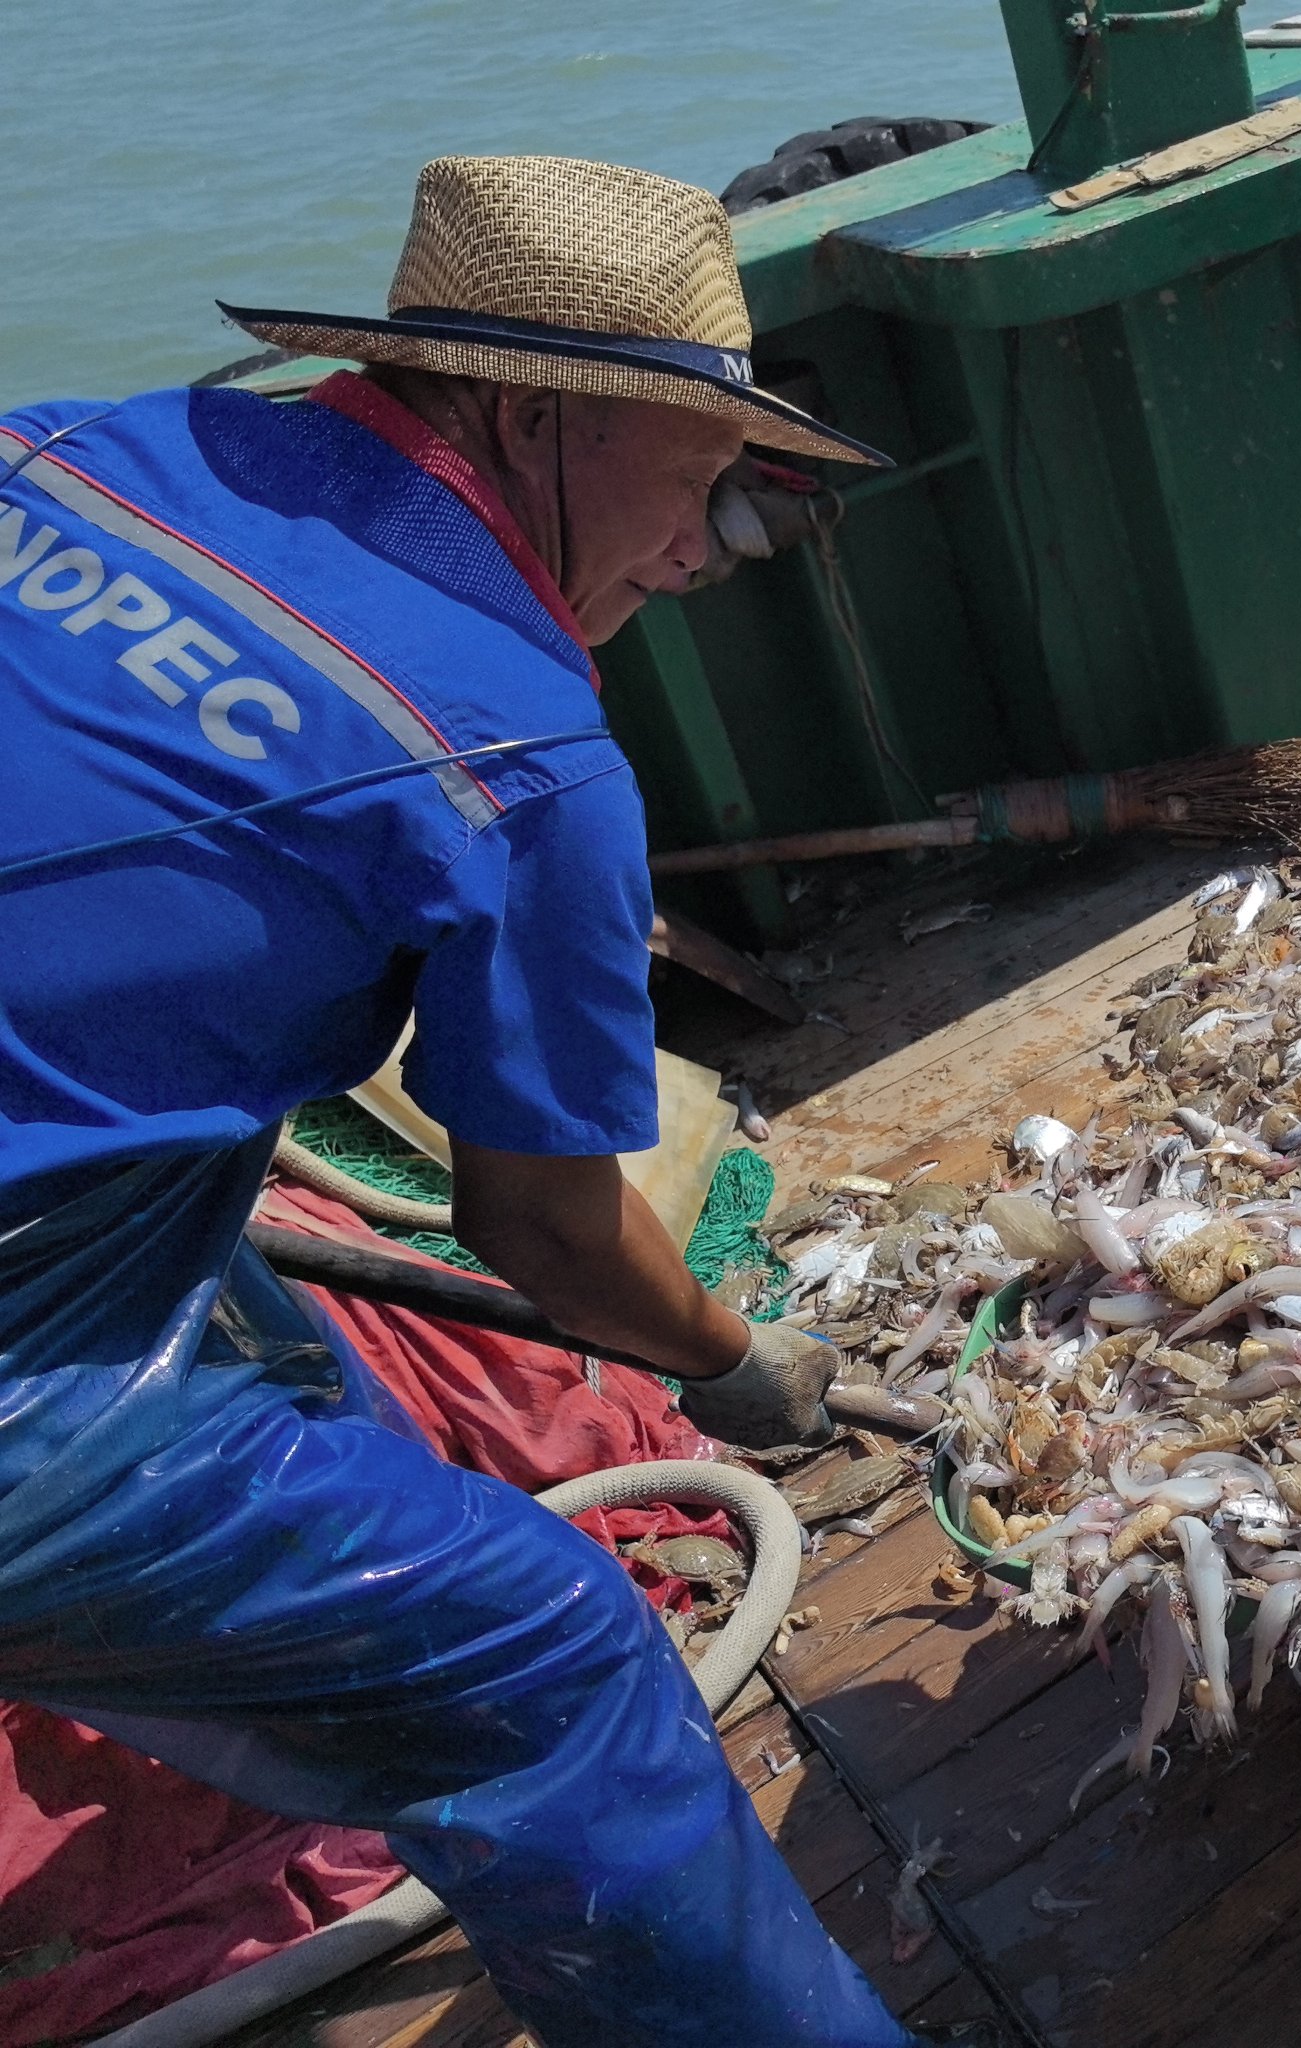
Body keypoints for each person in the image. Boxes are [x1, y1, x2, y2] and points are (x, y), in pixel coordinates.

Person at [0, 156, 915, 2046]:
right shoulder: (523, 753)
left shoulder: (62, 451)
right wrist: (735, 1365)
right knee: (557, 1659)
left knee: (271, 1330)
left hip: (69, 1219)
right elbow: (544, 1231)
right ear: (536, 417)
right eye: (699, 468)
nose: (708, 540)